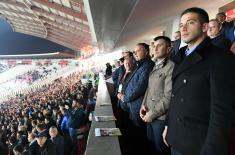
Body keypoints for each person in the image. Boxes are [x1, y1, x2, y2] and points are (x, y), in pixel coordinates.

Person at [163, 7, 235, 155]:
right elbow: (174, 96)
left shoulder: (221, 58)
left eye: (190, 23)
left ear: (204, 27)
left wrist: (212, 150)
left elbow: (222, 112)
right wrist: (167, 125)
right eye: (181, 24)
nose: (183, 28)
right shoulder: (181, 56)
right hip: (176, 136)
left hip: (197, 144)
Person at [140, 36, 174, 154]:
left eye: (160, 45)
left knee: (161, 149)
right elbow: (149, 89)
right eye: (154, 45)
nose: (155, 48)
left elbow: (168, 97)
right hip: (149, 112)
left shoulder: (171, 67)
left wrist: (152, 114)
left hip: (160, 117)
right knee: (152, 144)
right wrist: (143, 105)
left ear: (169, 49)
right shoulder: (155, 65)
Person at [118, 43, 154, 127]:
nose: (135, 53)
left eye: (138, 51)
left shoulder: (147, 66)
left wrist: (125, 97)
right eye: (134, 52)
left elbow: (140, 88)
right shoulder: (140, 65)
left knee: (138, 133)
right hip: (132, 104)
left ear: (146, 52)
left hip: (138, 106)